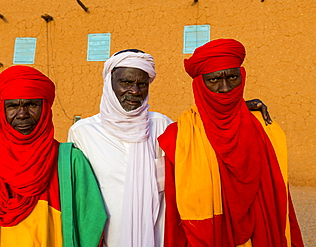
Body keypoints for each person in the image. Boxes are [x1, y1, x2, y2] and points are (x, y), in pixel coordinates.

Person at [67, 49, 271, 247]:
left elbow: (205, 132)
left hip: (158, 237)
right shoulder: (83, 133)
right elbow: (78, 195)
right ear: (109, 84)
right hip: (110, 238)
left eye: (142, 84)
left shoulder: (163, 126)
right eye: (126, 82)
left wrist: (235, 106)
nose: (135, 91)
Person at [158, 39, 304, 247]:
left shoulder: (265, 129)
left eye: (232, 77)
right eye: (214, 80)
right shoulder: (180, 136)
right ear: (200, 84)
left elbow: (280, 199)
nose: (225, 88)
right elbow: (173, 213)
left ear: (242, 77)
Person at [0, 65, 107, 247]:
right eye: (13, 106)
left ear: (45, 108)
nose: (22, 114)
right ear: (2, 111)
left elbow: (92, 222)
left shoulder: (71, 162)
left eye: (31, 105)